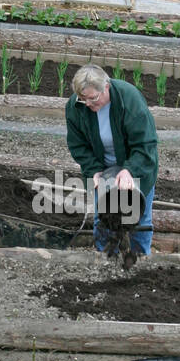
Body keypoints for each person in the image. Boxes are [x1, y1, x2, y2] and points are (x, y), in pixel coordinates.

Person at [65, 64, 158, 259]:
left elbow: (145, 144)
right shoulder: (75, 107)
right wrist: (94, 171)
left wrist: (129, 170)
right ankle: (106, 258)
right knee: (104, 217)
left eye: (93, 98)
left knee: (139, 218)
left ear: (106, 87)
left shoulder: (129, 100)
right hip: (104, 168)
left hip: (136, 166)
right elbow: (78, 146)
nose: (88, 103)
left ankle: (139, 260)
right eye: (83, 99)